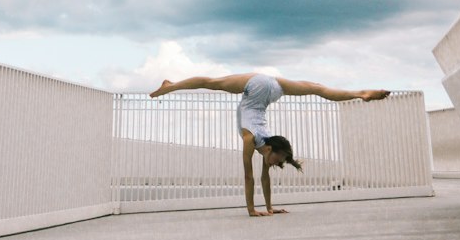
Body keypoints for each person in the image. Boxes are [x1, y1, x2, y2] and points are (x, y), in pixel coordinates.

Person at [149, 72, 391, 217]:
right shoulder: (250, 139)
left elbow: (262, 179)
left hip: (273, 87)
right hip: (259, 87)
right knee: (213, 82)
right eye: (278, 160)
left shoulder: (264, 143)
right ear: (272, 150)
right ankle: (170, 86)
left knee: (317, 88)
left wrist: (269, 207)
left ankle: (361, 93)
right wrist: (251, 211)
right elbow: (248, 178)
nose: (275, 165)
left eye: (277, 163)